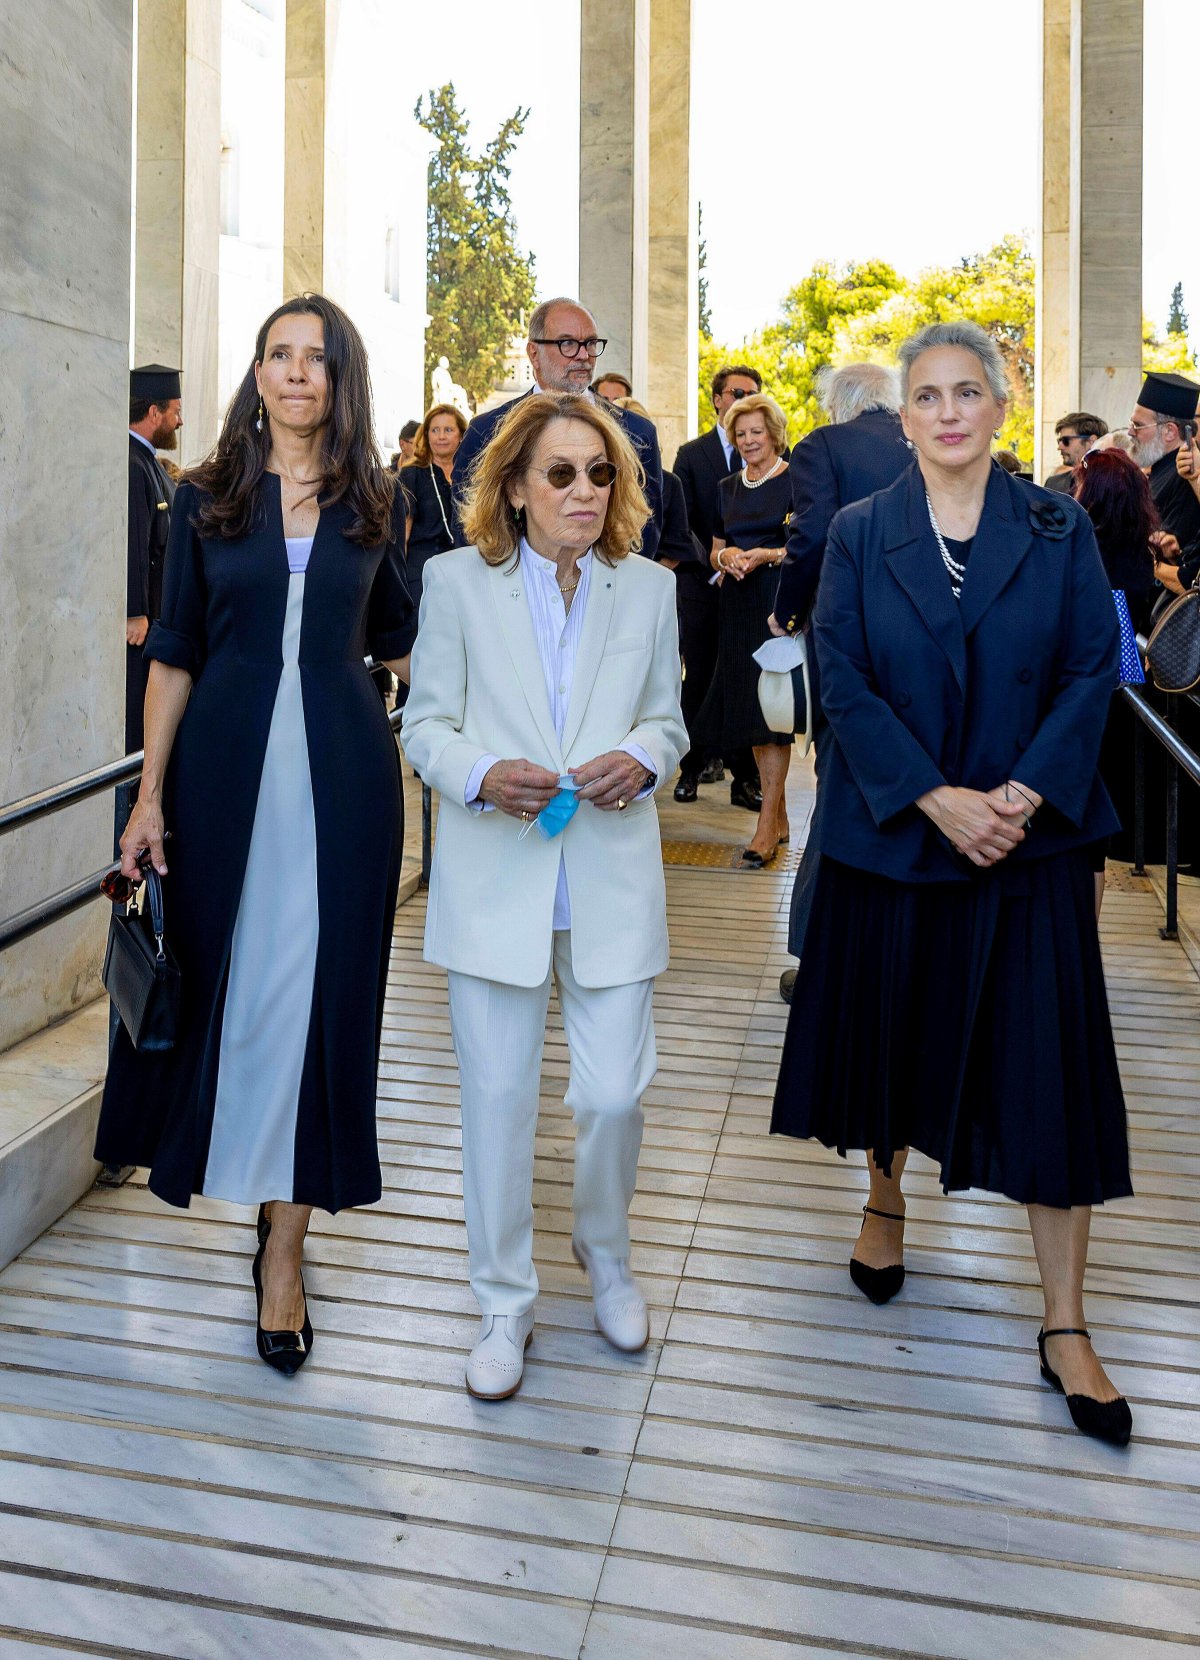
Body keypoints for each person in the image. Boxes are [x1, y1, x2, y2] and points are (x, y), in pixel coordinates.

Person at [771, 320, 1132, 1447]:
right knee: (892, 1032)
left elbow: (1090, 668)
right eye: (926, 395)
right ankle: (884, 1199)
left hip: (1032, 835)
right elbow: (844, 674)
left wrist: (1019, 795)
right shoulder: (862, 532)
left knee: (1048, 1068)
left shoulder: (1057, 524)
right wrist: (936, 798)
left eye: (967, 391)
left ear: (1002, 404)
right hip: (901, 828)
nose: (947, 411)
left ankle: (1065, 1319)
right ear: (905, 416)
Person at [95, 294, 416, 1376]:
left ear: (342, 379)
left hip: (347, 788)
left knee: (323, 1006)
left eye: (316, 359)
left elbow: (409, 639)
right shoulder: (204, 501)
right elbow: (173, 651)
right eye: (278, 355)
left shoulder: (380, 501)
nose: (294, 374)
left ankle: (286, 1248)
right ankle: (235, 1186)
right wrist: (148, 797)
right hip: (221, 781)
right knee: (236, 994)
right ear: (257, 373)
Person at [402, 392, 686, 1401]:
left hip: (609, 876)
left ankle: (603, 1253)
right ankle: (502, 1299)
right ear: (515, 486)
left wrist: (643, 761)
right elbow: (425, 725)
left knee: (613, 1093)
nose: (582, 490)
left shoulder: (649, 590)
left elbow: (669, 722)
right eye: (561, 473)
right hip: (495, 880)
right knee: (498, 1100)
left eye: (599, 473)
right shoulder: (454, 584)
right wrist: (481, 774)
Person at [770, 362, 912, 999]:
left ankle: (820, 954)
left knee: (839, 789)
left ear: (841, 404)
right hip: (931, 649)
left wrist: (786, 610)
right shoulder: (926, 437)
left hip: (848, 639)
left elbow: (814, 535)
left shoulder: (822, 446)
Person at [451, 297, 665, 560]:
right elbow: (470, 528)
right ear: (533, 353)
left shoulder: (637, 432)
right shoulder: (487, 432)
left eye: (591, 343)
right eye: (568, 344)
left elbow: (646, 529)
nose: (584, 355)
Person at [697, 393, 793, 866]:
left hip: (776, 605)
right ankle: (778, 814)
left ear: (774, 434)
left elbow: (807, 548)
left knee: (773, 718)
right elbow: (714, 549)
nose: (749, 439)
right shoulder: (726, 487)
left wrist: (765, 555)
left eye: (757, 431)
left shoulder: (796, 481)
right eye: (741, 433)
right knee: (753, 715)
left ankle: (765, 831)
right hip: (735, 605)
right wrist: (727, 556)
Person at [671, 366, 762, 804]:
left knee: (745, 681)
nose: (744, 398)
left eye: (753, 393)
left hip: (751, 589)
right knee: (701, 676)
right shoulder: (692, 454)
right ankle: (690, 768)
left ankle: (746, 778)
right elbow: (682, 521)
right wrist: (713, 566)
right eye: (737, 392)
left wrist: (745, 565)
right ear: (717, 400)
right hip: (701, 586)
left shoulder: (766, 454)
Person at [1072, 446, 1158, 903]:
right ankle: (1087, 942)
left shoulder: (1079, 550)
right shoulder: (1139, 552)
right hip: (1119, 698)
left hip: (1079, 696)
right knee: (1094, 842)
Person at [126, 365, 183, 753]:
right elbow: (133, 541)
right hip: (141, 627)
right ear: (154, 413)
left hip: (156, 623)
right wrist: (134, 611)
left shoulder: (149, 465)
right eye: (176, 410)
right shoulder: (133, 465)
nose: (180, 421)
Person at [1128, 371, 1200, 584]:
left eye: (1138, 425)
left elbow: (1182, 568)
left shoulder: (1185, 477)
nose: (1131, 432)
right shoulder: (1157, 472)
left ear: (1169, 431)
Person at [400, 402, 467, 614]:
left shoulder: (471, 474)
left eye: (448, 430)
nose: (441, 436)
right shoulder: (412, 474)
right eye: (435, 430)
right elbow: (404, 530)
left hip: (464, 569)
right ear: (426, 435)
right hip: (422, 572)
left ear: (461, 435)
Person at [1045, 411, 1108, 493]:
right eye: (1059, 441)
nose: (1059, 447)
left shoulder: (1113, 484)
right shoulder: (1053, 484)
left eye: (1065, 440)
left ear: (1091, 441)